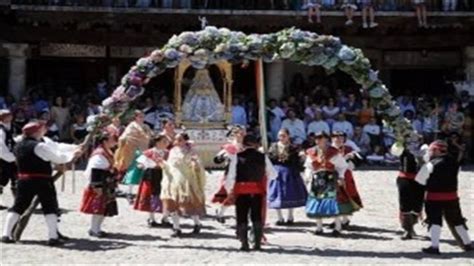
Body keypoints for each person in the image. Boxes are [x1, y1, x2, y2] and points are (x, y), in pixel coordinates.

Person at [1, 121, 81, 245]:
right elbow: (57, 157)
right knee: (50, 206)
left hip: (23, 180)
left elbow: (56, 147)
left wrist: (73, 148)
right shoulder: (39, 146)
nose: (44, 131)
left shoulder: (18, 146)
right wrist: (72, 154)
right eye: (41, 129)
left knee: (18, 206)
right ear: (36, 132)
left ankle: (5, 234)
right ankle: (53, 237)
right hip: (42, 180)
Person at [415, 140, 473, 254]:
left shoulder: (431, 164)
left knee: (434, 221)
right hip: (452, 197)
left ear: (436, 150)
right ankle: (467, 244)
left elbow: (420, 180)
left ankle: (434, 246)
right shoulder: (455, 162)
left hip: (434, 197)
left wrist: (421, 165)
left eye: (432, 150)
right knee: (458, 221)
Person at [225, 134, 277, 251]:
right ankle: (257, 244)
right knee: (256, 216)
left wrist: (229, 190)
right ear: (256, 144)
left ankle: (244, 244)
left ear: (243, 144)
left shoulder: (236, 157)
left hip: (241, 190)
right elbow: (273, 174)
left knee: (242, 216)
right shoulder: (262, 157)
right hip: (257, 190)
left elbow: (231, 176)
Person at [160, 133, 206, 237]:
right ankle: (177, 228)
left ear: (185, 140)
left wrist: (195, 165)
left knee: (189, 204)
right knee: (172, 204)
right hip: (172, 180)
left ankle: (197, 223)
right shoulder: (172, 151)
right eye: (176, 140)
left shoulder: (191, 152)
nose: (177, 142)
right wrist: (162, 163)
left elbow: (198, 165)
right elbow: (169, 165)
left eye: (180, 140)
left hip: (187, 180)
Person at [304, 131, 348, 236]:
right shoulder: (311, 152)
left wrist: (341, 177)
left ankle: (337, 226)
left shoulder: (333, 152)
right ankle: (319, 227)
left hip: (330, 179)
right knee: (317, 202)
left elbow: (342, 166)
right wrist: (307, 176)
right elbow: (308, 167)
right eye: (317, 138)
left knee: (332, 202)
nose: (318, 140)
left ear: (327, 139)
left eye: (321, 138)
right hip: (316, 180)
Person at [79, 130, 118, 238]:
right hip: (99, 184)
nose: (114, 141)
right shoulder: (100, 153)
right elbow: (95, 170)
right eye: (112, 139)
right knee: (97, 208)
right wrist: (97, 186)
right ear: (105, 141)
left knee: (103, 208)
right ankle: (94, 229)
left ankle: (97, 228)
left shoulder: (106, 151)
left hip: (106, 183)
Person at [267, 128, 307, 225]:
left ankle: (290, 216)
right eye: (280, 135)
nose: (282, 137)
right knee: (276, 193)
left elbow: (298, 161)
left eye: (284, 135)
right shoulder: (273, 146)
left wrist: (302, 157)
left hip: (290, 172)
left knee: (290, 193)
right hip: (277, 172)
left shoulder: (294, 147)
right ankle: (280, 217)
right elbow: (270, 159)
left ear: (288, 136)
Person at [390, 134, 425, 240]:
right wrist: (399, 141)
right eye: (411, 138)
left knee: (417, 204)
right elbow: (394, 152)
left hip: (420, 178)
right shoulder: (401, 147)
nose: (413, 140)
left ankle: (412, 226)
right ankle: (407, 229)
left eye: (416, 138)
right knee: (405, 204)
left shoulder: (424, 148)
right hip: (405, 177)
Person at [133, 135, 170, 227]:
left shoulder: (168, 153)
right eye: (164, 141)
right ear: (157, 142)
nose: (166, 143)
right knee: (151, 196)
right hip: (151, 176)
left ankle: (165, 218)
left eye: (166, 141)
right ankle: (151, 218)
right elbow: (139, 165)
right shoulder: (149, 152)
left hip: (165, 176)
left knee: (166, 197)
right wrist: (146, 165)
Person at [211, 125, 246, 224]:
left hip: (244, 172)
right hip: (231, 173)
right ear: (235, 134)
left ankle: (238, 216)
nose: (243, 135)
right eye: (240, 133)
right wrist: (223, 156)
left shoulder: (246, 145)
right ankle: (221, 212)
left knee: (242, 195)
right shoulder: (230, 146)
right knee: (231, 194)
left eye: (244, 133)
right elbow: (217, 160)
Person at [331, 131, 363, 229]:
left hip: (345, 175)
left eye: (341, 137)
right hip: (332, 175)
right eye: (336, 137)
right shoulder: (328, 150)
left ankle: (345, 219)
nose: (338, 139)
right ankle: (335, 219)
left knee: (345, 195)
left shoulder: (348, 149)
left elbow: (359, 161)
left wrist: (352, 157)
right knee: (333, 197)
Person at [0, 110, 17, 210]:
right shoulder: (1, 130)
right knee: (2, 180)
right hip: (3, 159)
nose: (10, 117)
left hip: (11, 158)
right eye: (8, 115)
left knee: (16, 179)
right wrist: (12, 158)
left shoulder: (11, 127)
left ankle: (18, 202)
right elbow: (1, 148)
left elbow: (12, 140)